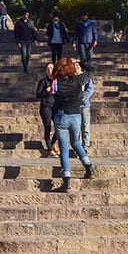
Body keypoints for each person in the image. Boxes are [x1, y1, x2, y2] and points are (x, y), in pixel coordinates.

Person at [51, 58, 93, 192]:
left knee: (63, 149)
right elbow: (91, 71)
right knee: (76, 143)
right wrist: (81, 63)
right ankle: (88, 167)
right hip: (76, 116)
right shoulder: (77, 80)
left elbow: (53, 97)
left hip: (61, 116)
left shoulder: (56, 83)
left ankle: (67, 180)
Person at [36, 63, 56, 157]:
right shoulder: (43, 82)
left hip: (56, 106)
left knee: (59, 127)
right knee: (47, 127)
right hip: (46, 107)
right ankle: (49, 149)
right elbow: (38, 94)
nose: (49, 70)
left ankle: (52, 144)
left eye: (51, 68)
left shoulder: (57, 81)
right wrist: (45, 91)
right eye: (47, 68)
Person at [81, 62, 95, 149]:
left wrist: (82, 98)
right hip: (74, 106)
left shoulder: (86, 78)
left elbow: (90, 90)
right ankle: (77, 147)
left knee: (85, 126)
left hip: (85, 105)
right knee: (76, 129)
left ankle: (85, 146)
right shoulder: (72, 78)